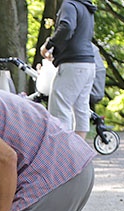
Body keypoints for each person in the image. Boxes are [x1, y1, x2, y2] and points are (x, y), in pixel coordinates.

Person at [40, 0, 97, 137]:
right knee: (81, 108)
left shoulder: (69, 4)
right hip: (88, 64)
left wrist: (48, 45)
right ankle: (78, 152)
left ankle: (63, 151)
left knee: (60, 108)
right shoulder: (86, 7)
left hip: (73, 64)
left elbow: (66, 27)